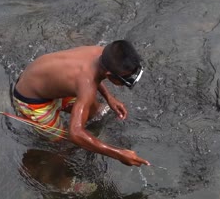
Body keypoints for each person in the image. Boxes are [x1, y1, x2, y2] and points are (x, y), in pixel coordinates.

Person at [13, 40, 150, 167]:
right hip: (31, 100)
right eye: (125, 78)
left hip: (46, 82)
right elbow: (75, 133)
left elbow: (94, 76)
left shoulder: (101, 53)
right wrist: (118, 153)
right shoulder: (87, 85)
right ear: (109, 75)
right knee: (63, 144)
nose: (129, 79)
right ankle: (53, 175)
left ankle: (94, 138)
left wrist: (109, 97)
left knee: (98, 112)